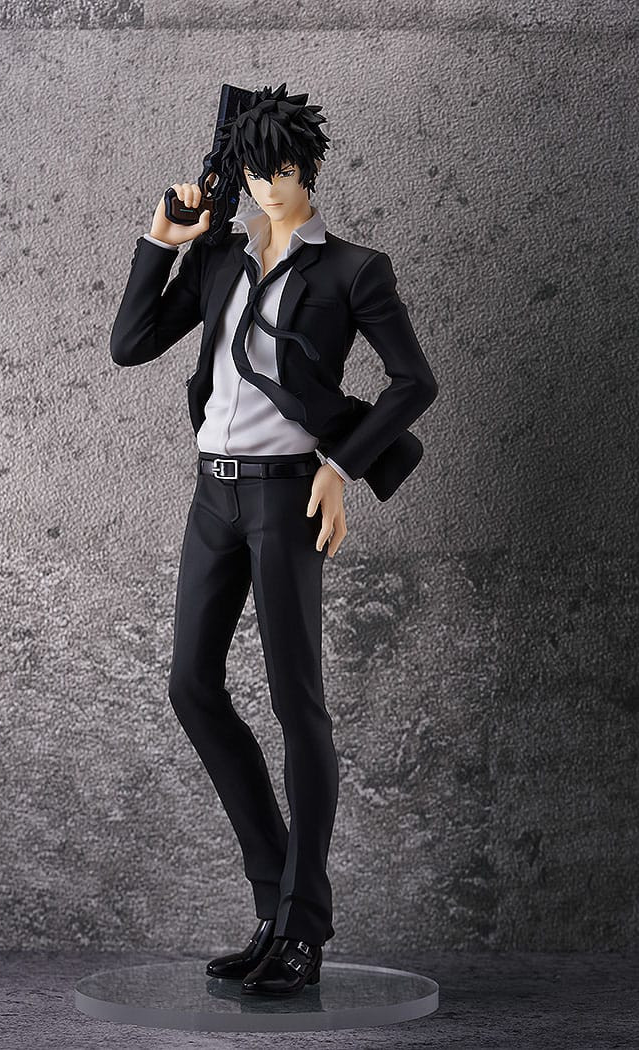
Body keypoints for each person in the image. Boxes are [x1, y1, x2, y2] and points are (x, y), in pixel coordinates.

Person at [109, 82, 439, 997]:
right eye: (254, 172)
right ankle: (275, 904)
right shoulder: (220, 257)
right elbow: (130, 343)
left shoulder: (353, 271)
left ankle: (302, 927)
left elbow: (415, 382)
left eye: (282, 171)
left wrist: (341, 466)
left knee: (299, 704)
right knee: (191, 686)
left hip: (289, 497)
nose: (266, 187)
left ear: (311, 169)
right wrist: (162, 242)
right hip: (212, 495)